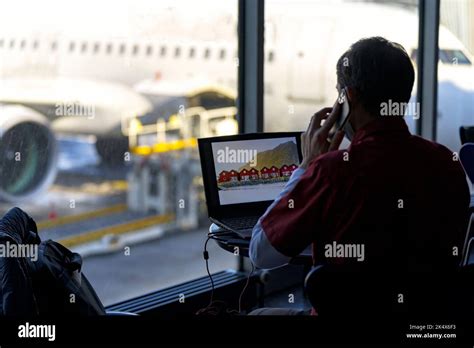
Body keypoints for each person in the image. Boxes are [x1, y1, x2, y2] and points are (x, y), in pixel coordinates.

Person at [248, 37, 471, 314]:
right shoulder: (447, 163)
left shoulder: (332, 171)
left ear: (349, 97)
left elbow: (261, 253)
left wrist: (305, 166)